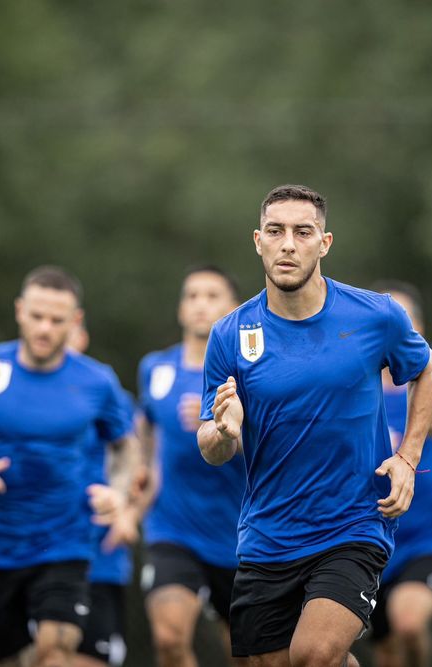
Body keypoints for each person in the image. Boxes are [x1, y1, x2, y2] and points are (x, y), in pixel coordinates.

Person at [197, 185, 432, 666]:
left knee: (314, 655)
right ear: (258, 241)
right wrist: (224, 432)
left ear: (324, 243)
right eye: (276, 231)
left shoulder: (376, 315)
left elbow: (427, 369)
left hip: (353, 525)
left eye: (302, 232)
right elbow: (211, 446)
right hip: (268, 533)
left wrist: (408, 458)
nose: (288, 243)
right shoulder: (230, 333)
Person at [0, 265, 141, 667]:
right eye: (36, 316)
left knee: (56, 651)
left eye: (57, 320)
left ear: (74, 321)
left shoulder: (97, 381)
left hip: (67, 541)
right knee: (3, 659)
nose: (44, 328)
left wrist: (119, 492)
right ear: (20, 311)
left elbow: (126, 447)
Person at [138, 265, 246, 667]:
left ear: (234, 308)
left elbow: (277, 444)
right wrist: (141, 471)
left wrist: (222, 425)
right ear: (181, 308)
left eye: (212, 295)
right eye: (192, 295)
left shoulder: (248, 373)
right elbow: (144, 427)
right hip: (173, 528)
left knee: (247, 655)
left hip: (241, 536)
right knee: (168, 638)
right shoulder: (155, 368)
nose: (201, 305)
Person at [366, 282, 432, 667]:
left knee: (408, 623)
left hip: (430, 535)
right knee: (386, 649)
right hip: (367, 540)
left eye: (405, 319)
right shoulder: (348, 391)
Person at [68, 322, 133, 667]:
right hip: (26, 553)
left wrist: (127, 509)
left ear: (81, 334)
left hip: (96, 555)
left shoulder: (104, 391)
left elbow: (136, 460)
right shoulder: (16, 390)